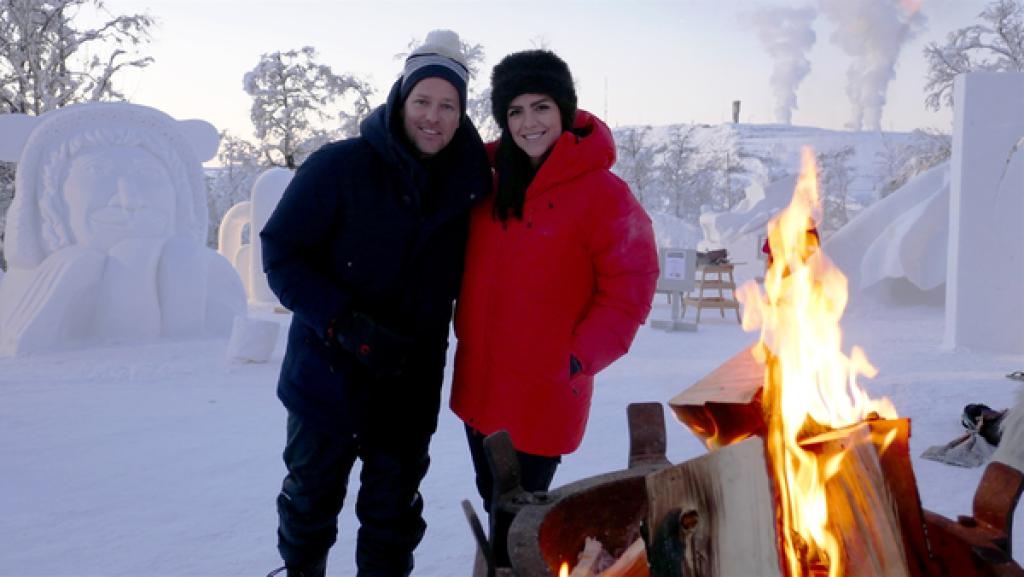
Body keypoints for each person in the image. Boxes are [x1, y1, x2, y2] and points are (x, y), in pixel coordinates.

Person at [260, 30, 491, 577]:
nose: (432, 117)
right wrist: (343, 322)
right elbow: (281, 254)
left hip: (408, 388)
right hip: (326, 380)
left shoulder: (471, 187)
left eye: (447, 105)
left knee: (392, 521)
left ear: (461, 113)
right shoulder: (339, 168)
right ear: (400, 99)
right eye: (422, 102)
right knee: (309, 505)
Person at [450, 49, 659, 566]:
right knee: (494, 503)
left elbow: (631, 287)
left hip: (543, 392)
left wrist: (574, 357)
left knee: (523, 520)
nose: (528, 123)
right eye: (515, 111)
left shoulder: (604, 195)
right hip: (479, 385)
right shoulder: (489, 184)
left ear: (565, 110)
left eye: (540, 106)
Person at [0, 102, 245, 355]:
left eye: (148, 174)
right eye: (97, 172)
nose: (129, 200)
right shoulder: (35, 287)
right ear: (52, 200)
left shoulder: (209, 277)